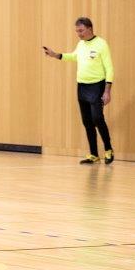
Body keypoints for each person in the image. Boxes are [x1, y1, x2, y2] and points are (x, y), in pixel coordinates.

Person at [43, 17, 115, 164]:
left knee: (97, 118)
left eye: (81, 30)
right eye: (77, 31)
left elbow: (109, 68)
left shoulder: (101, 44)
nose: (79, 34)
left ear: (90, 28)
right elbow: (74, 56)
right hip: (82, 86)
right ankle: (94, 154)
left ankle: (108, 149)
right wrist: (55, 55)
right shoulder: (81, 44)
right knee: (87, 121)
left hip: (97, 86)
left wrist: (107, 91)